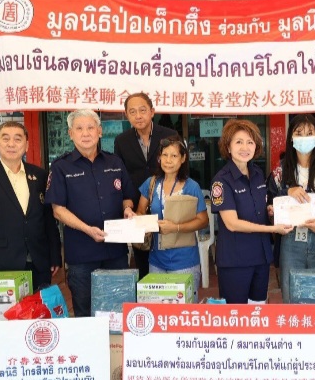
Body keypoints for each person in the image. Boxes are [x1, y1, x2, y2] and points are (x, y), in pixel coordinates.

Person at [46, 109, 137, 317]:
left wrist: (127, 209)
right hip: (82, 253)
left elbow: (127, 195)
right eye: (79, 128)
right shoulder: (61, 167)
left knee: (119, 308)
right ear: (70, 134)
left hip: (115, 250)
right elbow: (58, 210)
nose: (85, 133)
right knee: (85, 310)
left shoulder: (114, 162)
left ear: (100, 131)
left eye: (90, 127)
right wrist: (87, 229)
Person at [0, 121, 62, 292]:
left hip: (39, 261)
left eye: (18, 139)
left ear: (26, 145)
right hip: (1, 263)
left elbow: (48, 219)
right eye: (5, 138)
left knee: (38, 308)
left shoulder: (40, 175)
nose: (11, 144)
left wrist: (55, 255)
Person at [210, 119, 293, 304]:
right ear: (228, 146)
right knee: (236, 313)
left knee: (258, 308)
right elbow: (232, 223)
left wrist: (269, 210)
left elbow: (257, 208)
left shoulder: (257, 174)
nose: (245, 147)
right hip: (235, 260)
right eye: (238, 142)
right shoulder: (221, 181)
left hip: (260, 257)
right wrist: (272, 229)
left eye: (250, 142)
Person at [267, 114, 315, 304]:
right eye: (299, 133)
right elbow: (270, 204)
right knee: (292, 299)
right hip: (290, 242)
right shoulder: (280, 170)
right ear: (291, 137)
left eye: (309, 133)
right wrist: (284, 195)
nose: (304, 137)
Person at [133, 135, 208, 301]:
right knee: (158, 310)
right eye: (165, 155)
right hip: (156, 260)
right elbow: (140, 211)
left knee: (184, 311)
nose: (168, 160)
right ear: (159, 158)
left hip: (185, 261)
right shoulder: (151, 183)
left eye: (174, 155)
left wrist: (176, 227)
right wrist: (140, 221)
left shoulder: (192, 186)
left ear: (183, 158)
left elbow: (203, 220)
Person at [114, 93, 177, 279]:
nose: (138, 116)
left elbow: (181, 167)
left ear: (152, 112)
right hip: (137, 207)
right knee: (142, 258)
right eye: (132, 112)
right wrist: (127, 205)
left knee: (168, 253)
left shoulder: (169, 135)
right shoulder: (122, 140)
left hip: (166, 203)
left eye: (142, 110)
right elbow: (120, 174)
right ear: (127, 115)